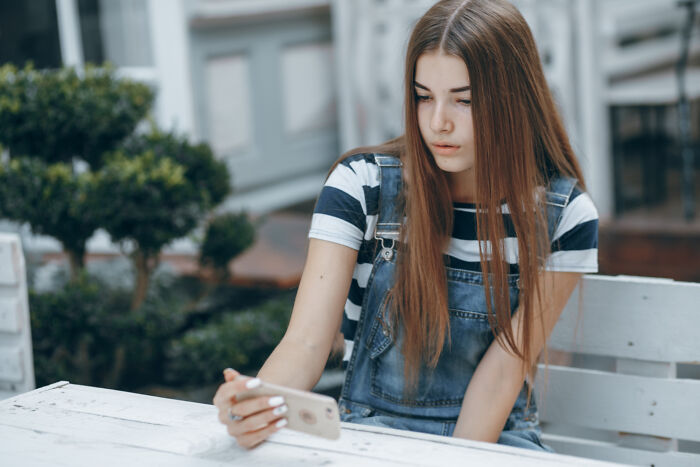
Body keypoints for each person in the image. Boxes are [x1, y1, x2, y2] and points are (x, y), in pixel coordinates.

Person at [213, 0, 598, 452]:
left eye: (465, 100)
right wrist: (257, 405)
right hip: (370, 439)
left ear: (514, 101)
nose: (439, 122)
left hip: (489, 443)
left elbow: (501, 375)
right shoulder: (361, 186)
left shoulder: (562, 215)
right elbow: (306, 343)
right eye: (423, 96)